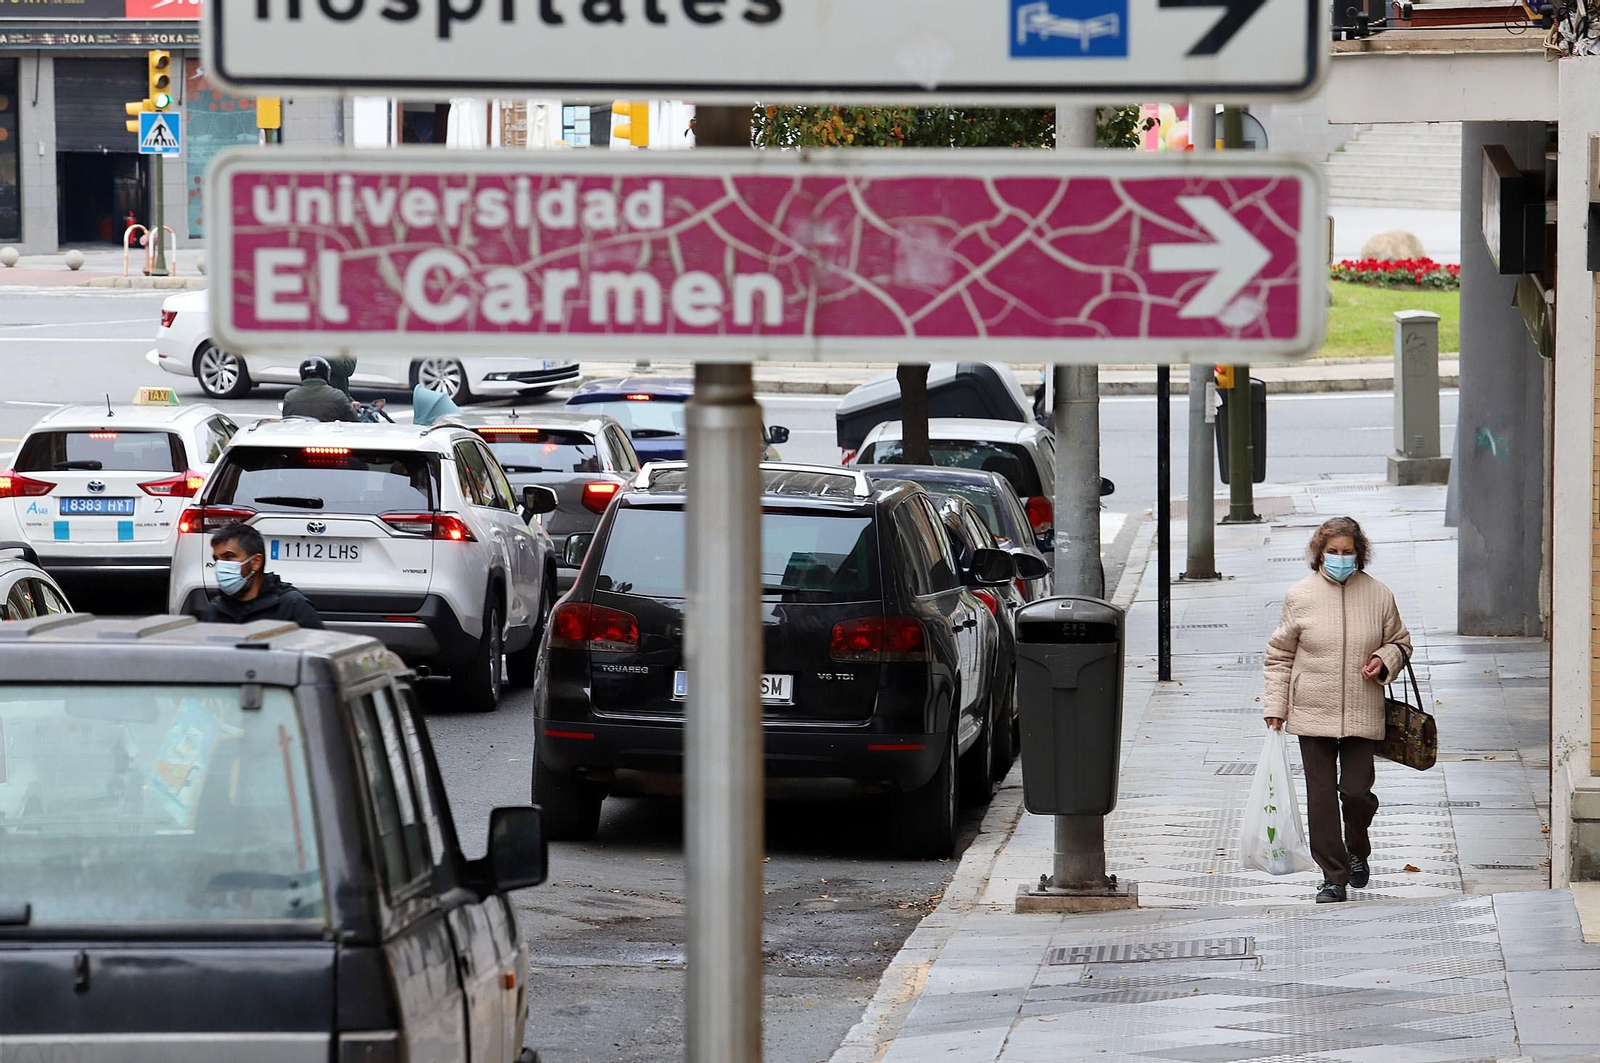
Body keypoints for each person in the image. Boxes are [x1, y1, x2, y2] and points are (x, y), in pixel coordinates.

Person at [1263, 516, 1411, 904]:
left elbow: (1401, 643)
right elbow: (1279, 655)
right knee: (1322, 796)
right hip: (1312, 708)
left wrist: (1384, 659)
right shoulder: (1300, 595)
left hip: (1364, 711)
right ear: (1320, 554)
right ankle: (1333, 876)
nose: (1340, 558)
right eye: (1333, 552)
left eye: (1348, 552)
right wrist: (1276, 706)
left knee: (1356, 791)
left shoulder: (1379, 595)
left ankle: (1357, 848)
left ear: (1359, 554)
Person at [194, 522, 325, 628]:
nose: (221, 566)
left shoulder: (291, 606)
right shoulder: (215, 610)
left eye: (229, 557)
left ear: (256, 562)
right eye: (217, 559)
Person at [282, 357, 358, 422]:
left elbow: (287, 421)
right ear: (327, 373)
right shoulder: (337, 397)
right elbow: (353, 421)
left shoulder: (290, 397)